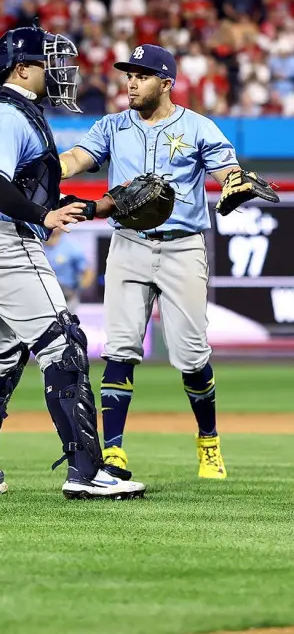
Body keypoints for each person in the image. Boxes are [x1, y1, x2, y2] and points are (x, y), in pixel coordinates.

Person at [0, 22, 145, 499]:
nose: (58, 71)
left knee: (0, 359)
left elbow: (24, 186)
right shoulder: (9, 115)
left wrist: (90, 206)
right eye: (48, 62)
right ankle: (87, 471)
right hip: (3, 245)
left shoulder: (13, 112)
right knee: (64, 346)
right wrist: (43, 214)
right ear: (23, 68)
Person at [59, 43, 245, 480]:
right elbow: (77, 159)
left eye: (142, 75)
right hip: (128, 244)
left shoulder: (198, 127)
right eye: (129, 74)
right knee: (120, 349)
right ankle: (115, 452)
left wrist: (235, 182)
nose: (131, 81)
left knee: (192, 356)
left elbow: (227, 169)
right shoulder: (111, 126)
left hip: (182, 246)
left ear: (166, 82)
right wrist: (49, 166)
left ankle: (209, 443)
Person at [43, 228, 93, 314]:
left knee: (66, 325)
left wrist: (77, 290)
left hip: (66, 296)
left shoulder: (72, 247)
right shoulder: (36, 244)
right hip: (42, 295)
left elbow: (87, 272)